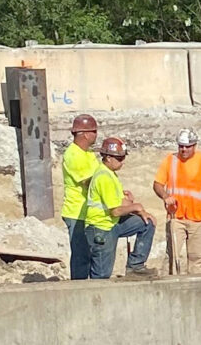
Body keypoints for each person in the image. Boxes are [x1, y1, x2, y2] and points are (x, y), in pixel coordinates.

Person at [154, 127, 201, 276]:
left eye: (187, 146)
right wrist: (165, 196)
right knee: (172, 257)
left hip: (199, 217)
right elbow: (157, 184)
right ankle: (169, 285)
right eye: (181, 146)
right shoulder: (170, 161)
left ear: (194, 145)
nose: (183, 150)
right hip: (176, 217)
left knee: (196, 259)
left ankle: (195, 286)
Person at [83, 136, 157, 279]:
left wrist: (133, 205)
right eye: (119, 158)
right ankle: (97, 291)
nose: (123, 161)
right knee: (102, 275)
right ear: (108, 157)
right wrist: (135, 207)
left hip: (111, 224)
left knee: (147, 223)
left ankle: (135, 266)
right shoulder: (103, 177)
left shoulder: (111, 174)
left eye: (123, 157)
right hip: (100, 228)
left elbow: (118, 202)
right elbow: (116, 210)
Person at [60, 113, 101, 282]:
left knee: (91, 254)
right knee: (80, 256)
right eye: (94, 131)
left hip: (89, 213)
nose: (96, 134)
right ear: (84, 134)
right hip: (76, 213)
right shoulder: (73, 155)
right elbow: (90, 182)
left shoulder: (88, 154)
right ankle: (77, 289)